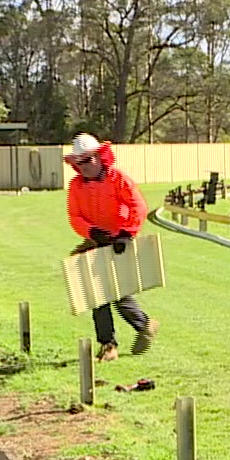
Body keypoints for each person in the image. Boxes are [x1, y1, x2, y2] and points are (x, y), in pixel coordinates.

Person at [64, 133, 155, 360]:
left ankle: (144, 325)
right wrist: (91, 232)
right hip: (95, 242)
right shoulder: (76, 186)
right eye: (79, 162)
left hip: (119, 242)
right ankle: (108, 345)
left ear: (99, 157)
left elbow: (138, 206)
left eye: (87, 160)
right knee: (97, 296)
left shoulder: (117, 179)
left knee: (118, 293)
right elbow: (74, 216)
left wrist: (127, 233)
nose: (83, 166)